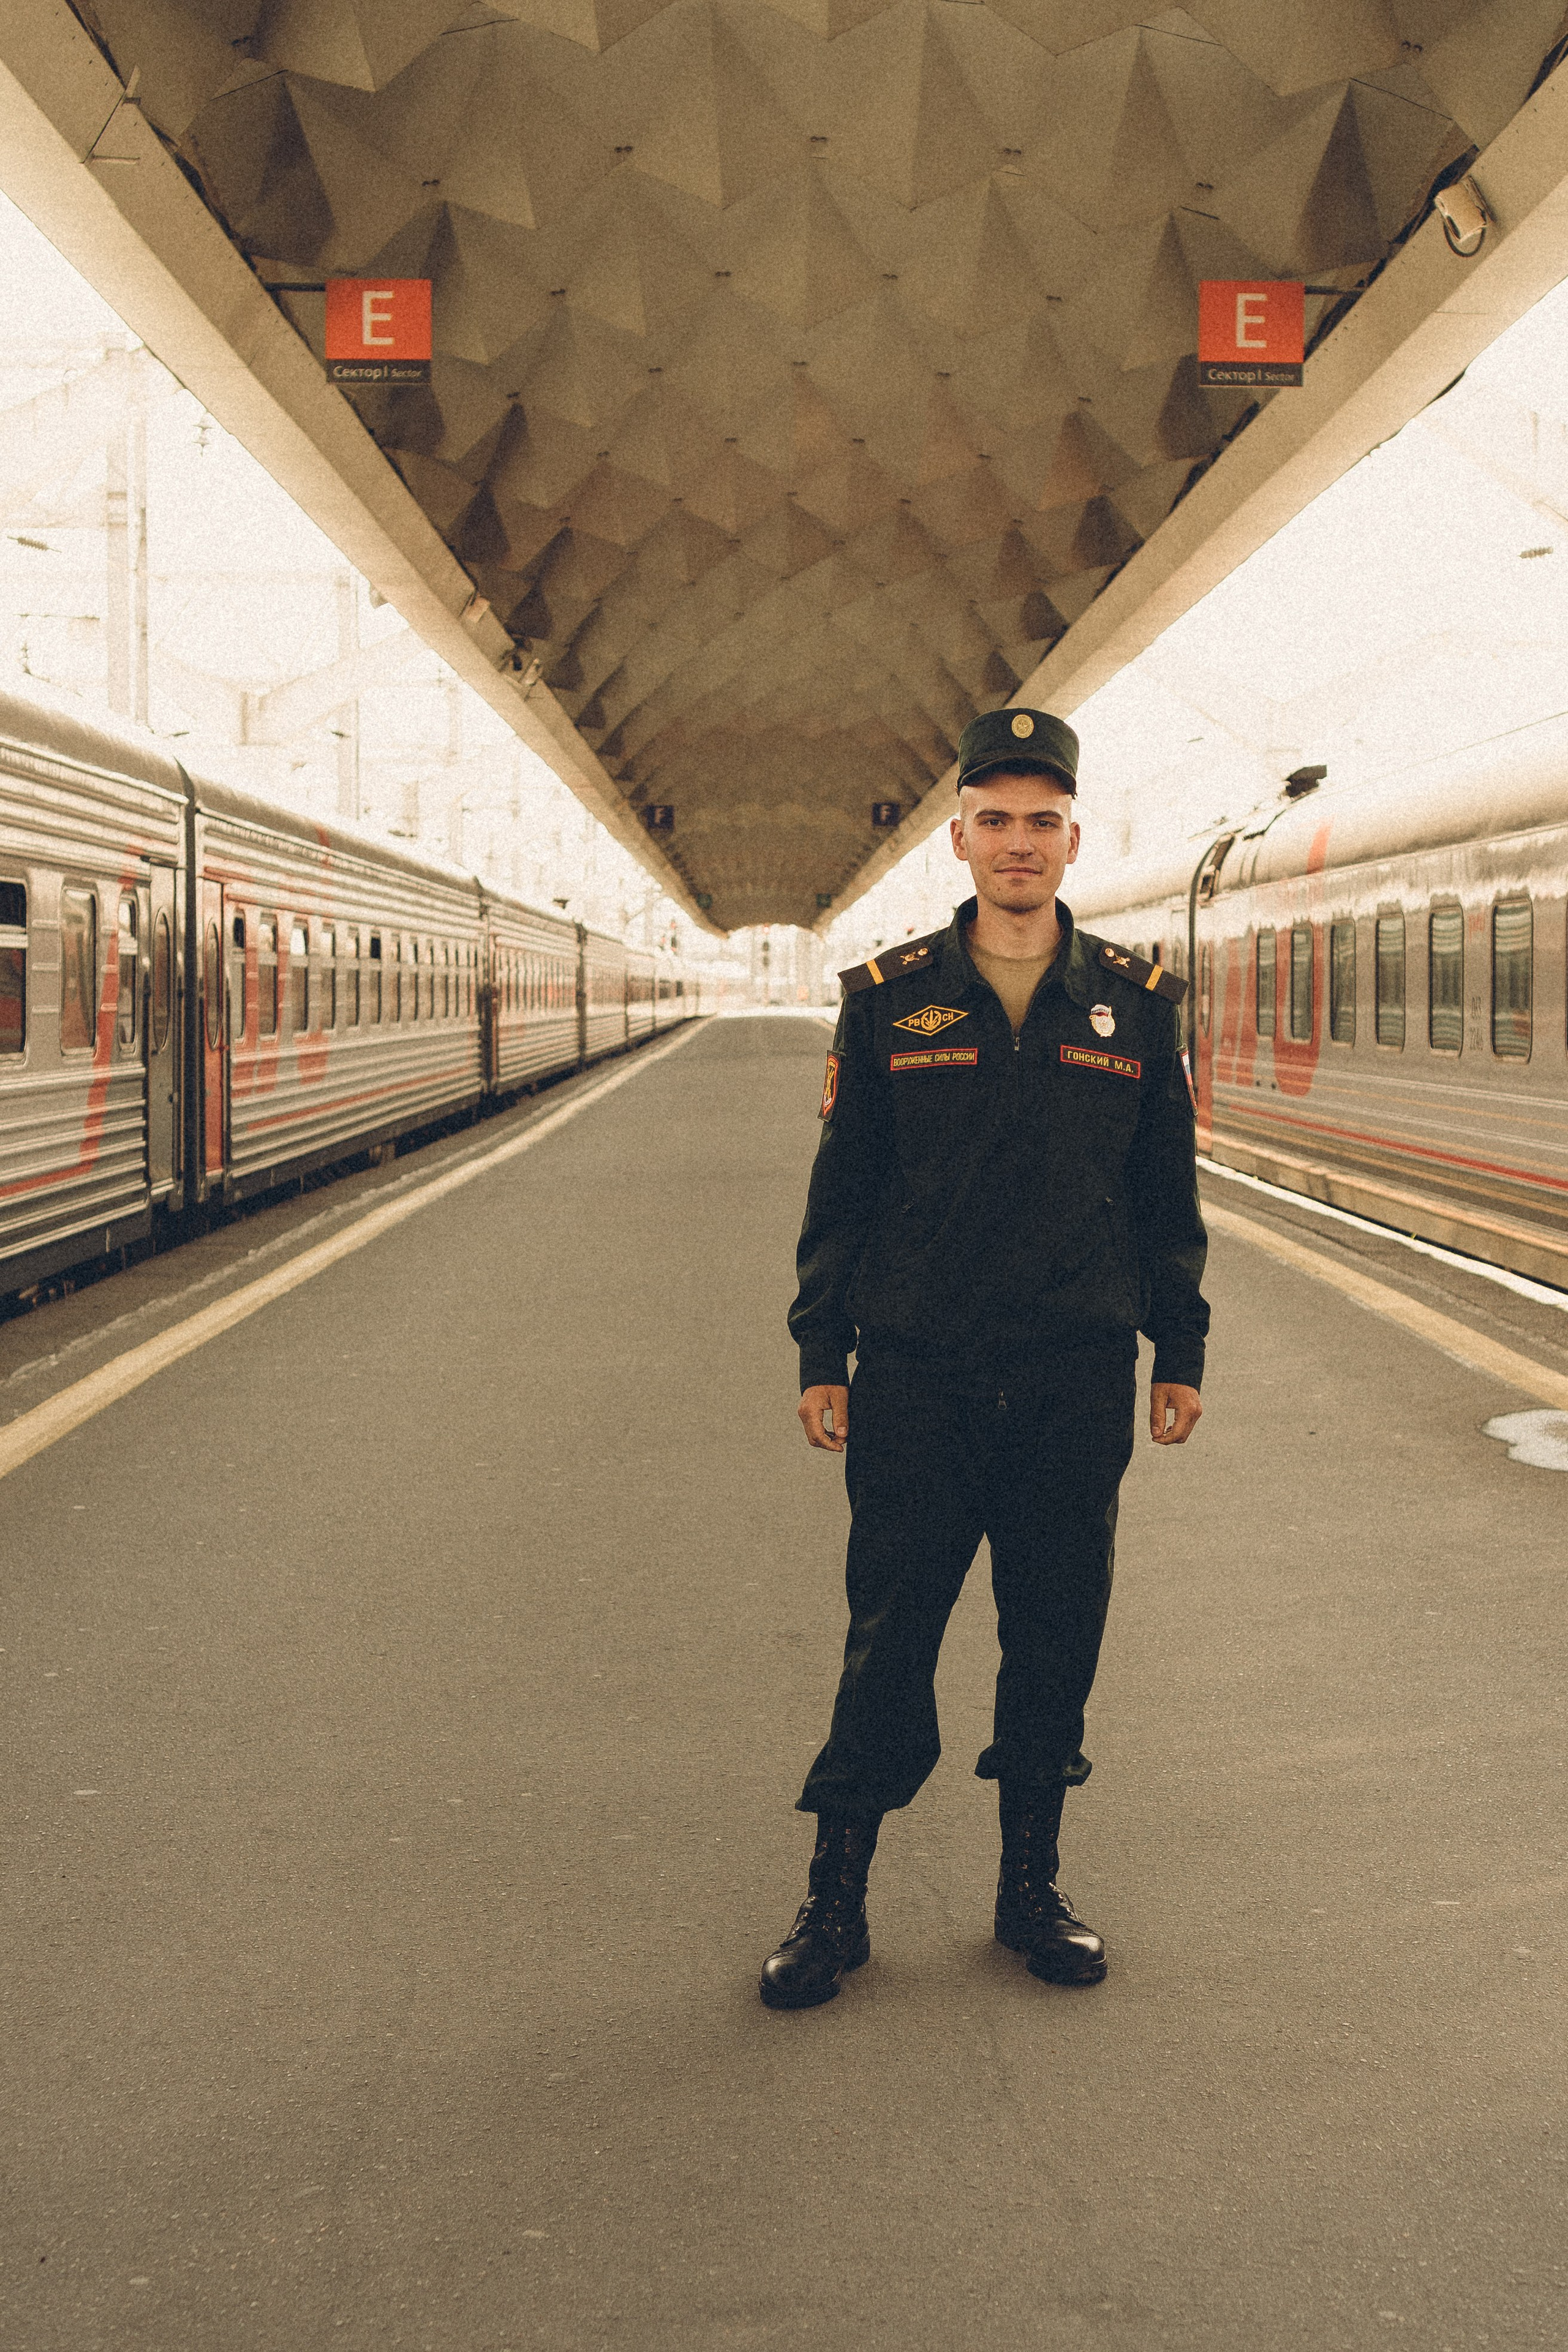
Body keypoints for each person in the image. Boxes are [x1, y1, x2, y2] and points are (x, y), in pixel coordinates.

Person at [760, 705, 1209, 2011]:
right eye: (996, 820)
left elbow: (1161, 1195)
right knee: (889, 1637)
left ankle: (1029, 1892)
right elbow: (839, 1196)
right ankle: (833, 1901)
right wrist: (819, 1353)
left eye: (1042, 821)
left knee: (1054, 1631)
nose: (1019, 842)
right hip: (916, 1375)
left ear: (1074, 839)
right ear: (959, 838)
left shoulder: (1132, 1007)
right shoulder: (889, 1002)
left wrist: (1174, 1346)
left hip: (1074, 1379)